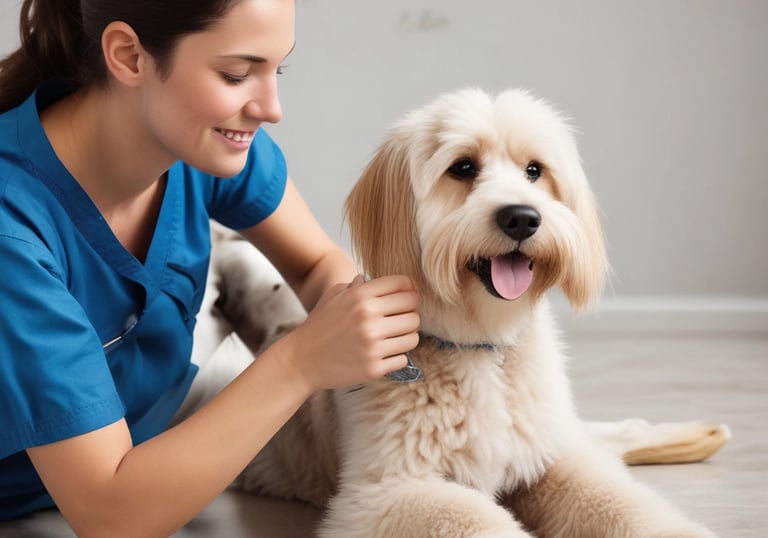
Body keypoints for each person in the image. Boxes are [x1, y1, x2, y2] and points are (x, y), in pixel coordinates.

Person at [0, 0, 420, 535]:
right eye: (237, 74)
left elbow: (317, 264)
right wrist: (301, 362)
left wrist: (361, 332)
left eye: (277, 70)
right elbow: (110, 514)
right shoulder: (14, 231)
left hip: (150, 430)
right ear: (129, 55)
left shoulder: (195, 140)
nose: (271, 109)